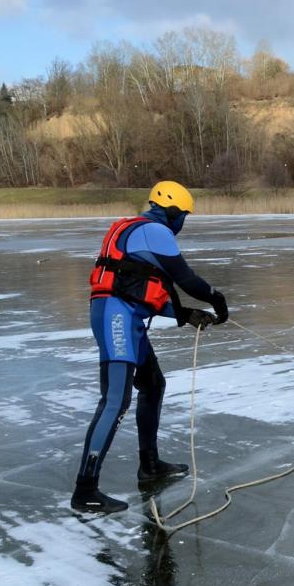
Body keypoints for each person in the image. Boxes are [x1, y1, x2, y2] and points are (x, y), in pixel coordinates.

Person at [72, 181, 228, 514]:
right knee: (115, 400)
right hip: (116, 318)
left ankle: (150, 465)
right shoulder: (155, 231)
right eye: (183, 215)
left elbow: (138, 290)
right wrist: (216, 298)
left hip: (124, 315)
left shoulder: (137, 229)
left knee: (153, 384)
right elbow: (187, 279)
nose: (183, 221)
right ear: (172, 211)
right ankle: (85, 490)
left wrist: (186, 315)